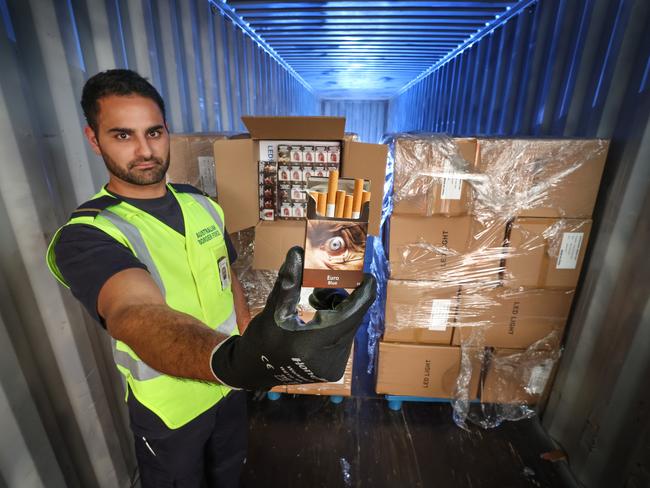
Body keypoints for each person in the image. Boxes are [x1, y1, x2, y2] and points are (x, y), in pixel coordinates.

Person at [45, 69, 376, 488]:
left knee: (227, 474)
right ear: (94, 139)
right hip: (170, 408)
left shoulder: (201, 204)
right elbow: (133, 310)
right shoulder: (88, 233)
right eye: (122, 136)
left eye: (154, 132)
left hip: (228, 392)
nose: (145, 150)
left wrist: (250, 333)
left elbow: (227, 277)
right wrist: (232, 360)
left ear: (167, 131)